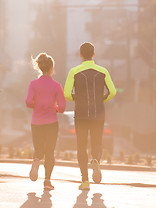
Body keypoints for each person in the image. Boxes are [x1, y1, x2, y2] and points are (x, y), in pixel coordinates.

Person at [64, 42, 116, 190]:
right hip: (98, 113)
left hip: (80, 114)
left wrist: (76, 98)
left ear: (80, 55)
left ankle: (85, 181)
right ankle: (95, 160)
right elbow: (112, 92)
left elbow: (67, 94)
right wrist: (102, 99)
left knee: (81, 147)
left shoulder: (74, 71)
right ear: (94, 54)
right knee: (97, 142)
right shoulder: (103, 71)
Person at [26, 53, 66, 190]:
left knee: (38, 149)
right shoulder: (56, 86)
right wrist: (53, 107)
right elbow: (62, 108)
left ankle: (36, 160)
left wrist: (37, 105)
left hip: (36, 122)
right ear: (51, 68)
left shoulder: (33, 84)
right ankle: (47, 181)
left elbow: (28, 102)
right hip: (51, 123)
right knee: (50, 151)